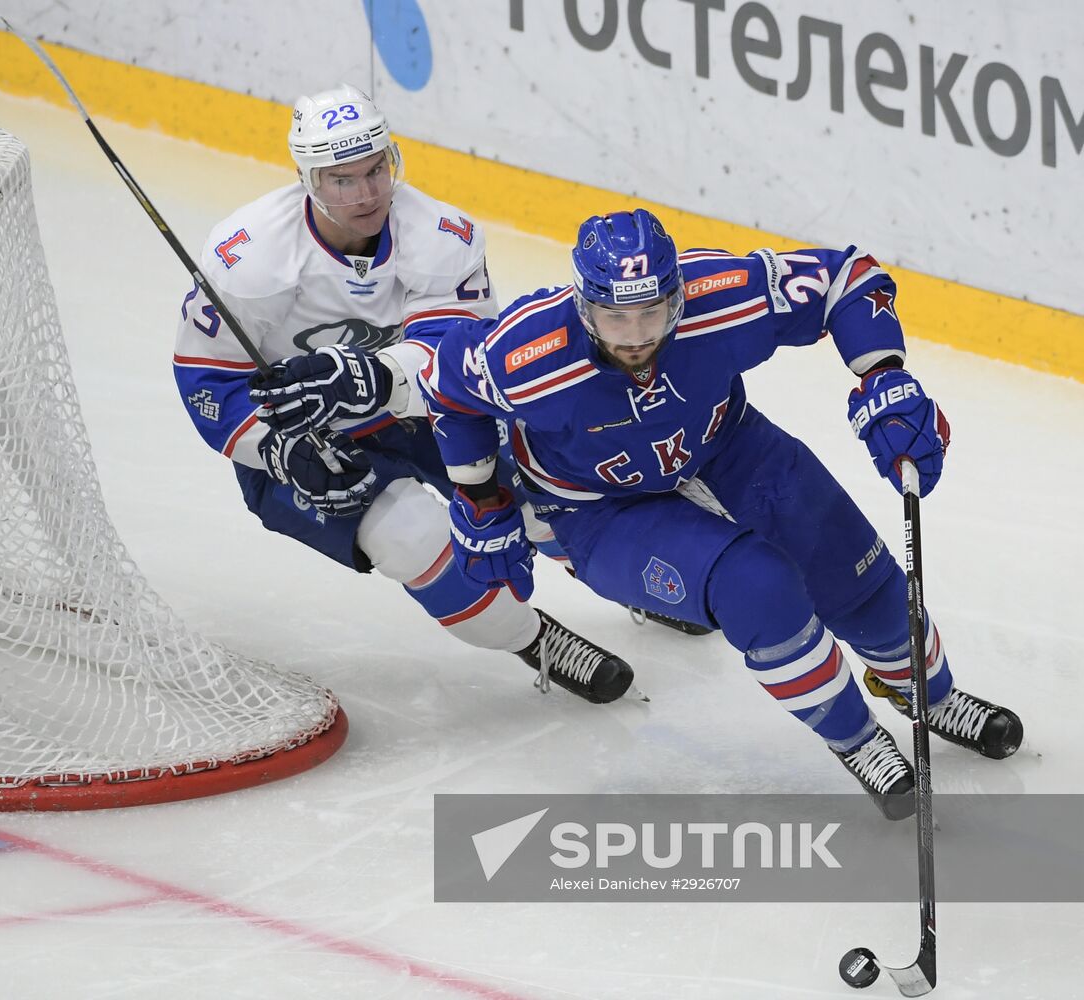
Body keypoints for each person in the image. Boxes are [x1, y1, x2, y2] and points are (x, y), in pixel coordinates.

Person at [401, 208, 1022, 819]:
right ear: (584, 305)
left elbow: (846, 278)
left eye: (653, 311)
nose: (637, 333)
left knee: (856, 579)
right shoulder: (524, 352)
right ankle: (857, 740)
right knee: (759, 588)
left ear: (677, 294)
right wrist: (481, 496)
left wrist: (883, 375)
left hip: (728, 447)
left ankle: (932, 698)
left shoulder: (715, 298)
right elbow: (449, 397)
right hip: (596, 507)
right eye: (616, 315)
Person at [172, 83, 637, 704]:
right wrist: (279, 451)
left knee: (537, 495)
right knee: (412, 536)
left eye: (376, 170)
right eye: (342, 180)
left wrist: (367, 380)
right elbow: (206, 377)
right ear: (308, 179)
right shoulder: (248, 260)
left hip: (414, 408)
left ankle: (634, 578)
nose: (367, 194)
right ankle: (535, 641)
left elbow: (455, 358)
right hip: (305, 441)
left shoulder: (443, 238)